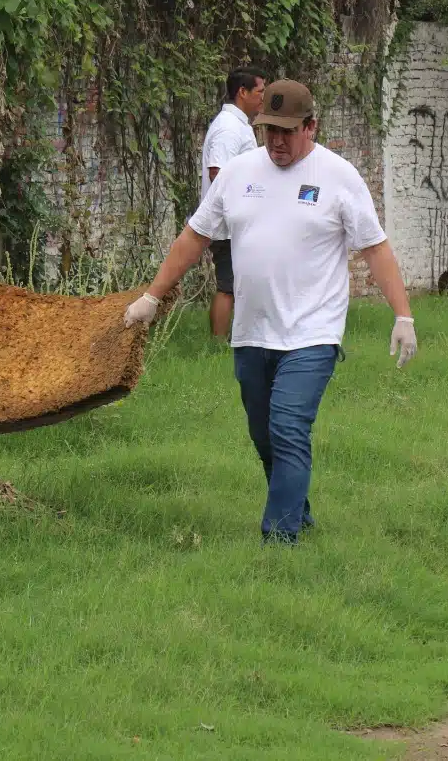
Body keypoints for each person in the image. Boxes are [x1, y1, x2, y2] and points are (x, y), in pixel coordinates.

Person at [123, 79, 417, 544]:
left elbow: (375, 249)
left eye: (287, 131)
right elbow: (195, 237)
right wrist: (153, 296)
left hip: (311, 334)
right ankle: (296, 510)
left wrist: (403, 316)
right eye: (268, 131)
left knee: (286, 427)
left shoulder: (338, 176)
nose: (276, 141)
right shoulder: (239, 172)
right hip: (252, 333)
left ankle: (278, 542)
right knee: (265, 437)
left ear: (310, 126)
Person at [200, 67, 268, 338]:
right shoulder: (228, 128)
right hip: (228, 224)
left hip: (238, 222)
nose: (263, 97)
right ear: (243, 92)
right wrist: (242, 206)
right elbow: (218, 172)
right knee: (227, 286)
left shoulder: (237, 125)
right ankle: (216, 343)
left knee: (238, 284)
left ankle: (238, 336)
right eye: (260, 91)